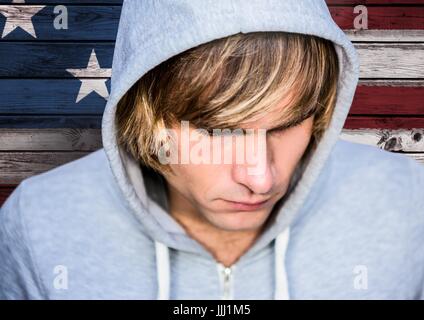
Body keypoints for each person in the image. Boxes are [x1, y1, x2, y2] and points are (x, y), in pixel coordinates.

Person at [1, 0, 423, 300]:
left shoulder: (408, 202)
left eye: (290, 122)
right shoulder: (38, 221)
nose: (261, 178)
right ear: (140, 111)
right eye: (217, 130)